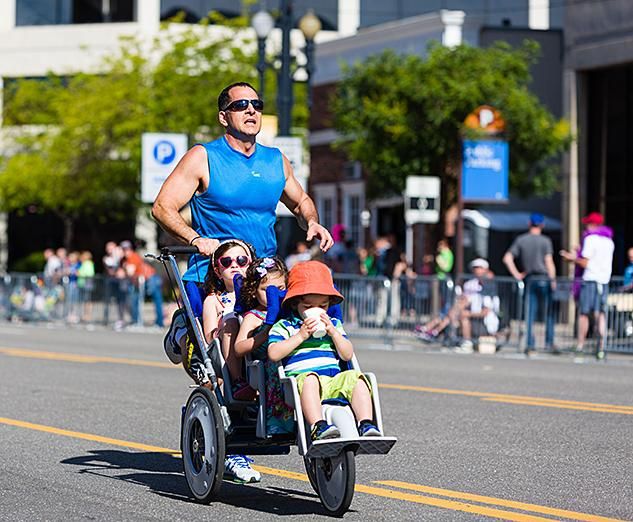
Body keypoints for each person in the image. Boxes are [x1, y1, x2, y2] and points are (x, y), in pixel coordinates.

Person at [151, 81, 333, 285]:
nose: (251, 111)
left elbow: (301, 202)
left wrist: (312, 222)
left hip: (262, 278)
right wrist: (195, 239)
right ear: (223, 117)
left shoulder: (275, 160)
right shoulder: (203, 157)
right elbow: (162, 207)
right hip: (214, 278)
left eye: (257, 105)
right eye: (240, 105)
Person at [267, 261, 381, 441]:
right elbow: (273, 354)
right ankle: (317, 425)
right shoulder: (286, 326)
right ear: (295, 304)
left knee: (357, 379)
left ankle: (366, 423)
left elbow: (347, 354)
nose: (317, 311)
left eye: (323, 306)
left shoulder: (334, 324)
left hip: (333, 380)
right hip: (300, 384)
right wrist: (301, 336)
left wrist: (334, 333)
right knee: (310, 379)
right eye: (308, 306)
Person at [234, 257, 294, 435]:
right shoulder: (253, 316)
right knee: (275, 369)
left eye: (280, 289)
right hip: (264, 364)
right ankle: (277, 423)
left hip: (291, 356)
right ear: (254, 292)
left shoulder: (289, 310)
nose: (273, 294)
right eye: (266, 290)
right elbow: (238, 348)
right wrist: (264, 333)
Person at [201, 239, 254, 401]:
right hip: (228, 340)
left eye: (241, 260)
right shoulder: (213, 300)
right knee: (231, 321)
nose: (234, 265)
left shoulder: (257, 293)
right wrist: (224, 323)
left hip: (255, 339)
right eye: (226, 262)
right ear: (218, 271)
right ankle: (238, 380)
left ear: (250, 265)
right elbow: (210, 338)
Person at [560, 212, 614, 356]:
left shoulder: (590, 239)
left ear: (593, 225)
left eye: (588, 223)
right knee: (600, 314)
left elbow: (585, 262)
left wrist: (571, 257)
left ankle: (580, 345)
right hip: (604, 280)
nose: (585, 226)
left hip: (590, 279)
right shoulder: (609, 242)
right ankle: (601, 346)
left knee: (584, 313)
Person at [503, 213, 557, 353]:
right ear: (542, 225)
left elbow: (507, 258)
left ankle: (530, 343)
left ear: (529, 224)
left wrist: (517, 275)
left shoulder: (521, 240)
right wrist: (553, 280)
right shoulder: (545, 241)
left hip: (530, 278)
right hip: (544, 278)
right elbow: (549, 262)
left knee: (530, 313)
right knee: (548, 313)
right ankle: (549, 342)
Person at [121, 240, 164, 328]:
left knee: (155, 300)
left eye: (126, 249)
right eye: (123, 249)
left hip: (150, 278)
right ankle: (136, 321)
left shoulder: (132, 257)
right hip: (141, 280)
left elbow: (130, 272)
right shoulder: (125, 259)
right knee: (136, 300)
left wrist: (124, 268)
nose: (125, 251)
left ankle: (158, 323)